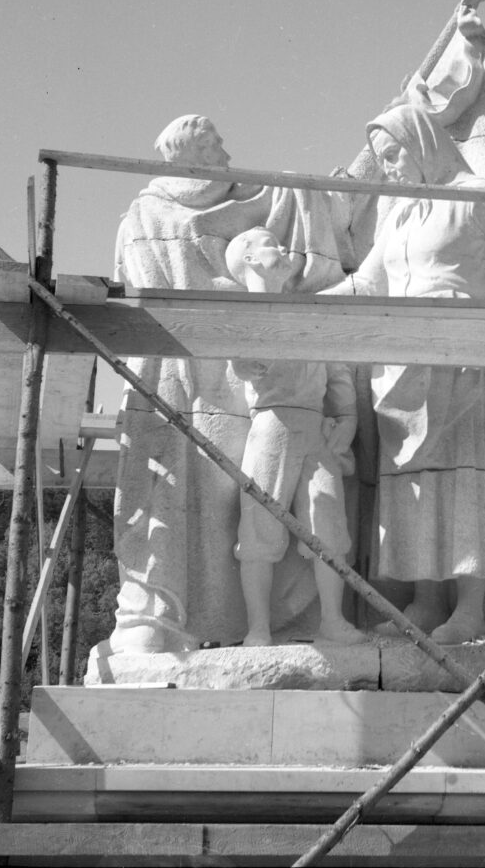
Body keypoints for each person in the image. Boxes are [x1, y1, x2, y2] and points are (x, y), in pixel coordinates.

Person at [107, 115, 344, 653]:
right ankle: (165, 612)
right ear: (188, 152)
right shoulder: (147, 213)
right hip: (175, 370)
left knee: (296, 517)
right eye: (214, 145)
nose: (225, 152)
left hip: (254, 398)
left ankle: (281, 624)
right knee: (183, 496)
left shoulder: (257, 200)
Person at [324, 103, 485, 644]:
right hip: (403, 366)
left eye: (395, 152)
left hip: (465, 354)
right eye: (382, 157)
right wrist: (302, 302)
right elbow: (368, 283)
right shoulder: (399, 212)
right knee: (414, 485)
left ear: (422, 141)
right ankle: (425, 602)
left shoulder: (474, 197)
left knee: (470, 478)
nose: (390, 164)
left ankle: (469, 610)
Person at [225, 228, 365, 647]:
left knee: (329, 526)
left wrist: (348, 419)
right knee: (259, 528)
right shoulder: (246, 313)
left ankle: (332, 621)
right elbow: (243, 363)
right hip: (272, 425)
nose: (282, 248)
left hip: (316, 427)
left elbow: (336, 372)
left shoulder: (309, 312)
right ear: (249, 259)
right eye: (269, 242)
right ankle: (258, 628)